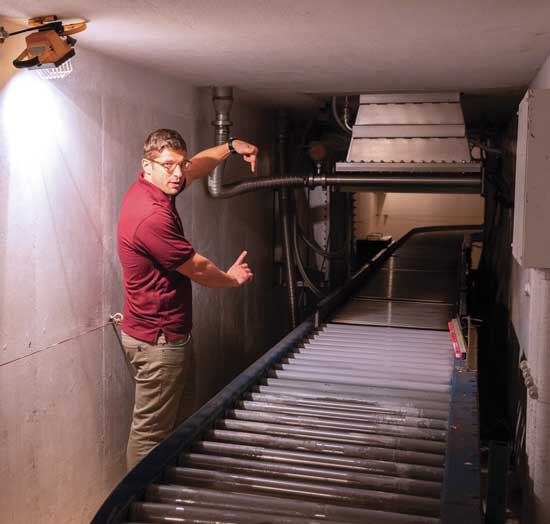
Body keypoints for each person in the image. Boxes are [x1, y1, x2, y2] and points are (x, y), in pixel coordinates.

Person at [117, 128, 257, 468]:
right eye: (168, 165)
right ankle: (135, 507)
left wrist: (230, 147)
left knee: (171, 426)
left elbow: (197, 167)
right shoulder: (151, 216)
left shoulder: (152, 187)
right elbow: (197, 267)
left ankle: (161, 490)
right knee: (150, 435)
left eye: (180, 164)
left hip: (160, 333)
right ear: (146, 165)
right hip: (158, 340)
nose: (177, 173)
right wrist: (231, 280)